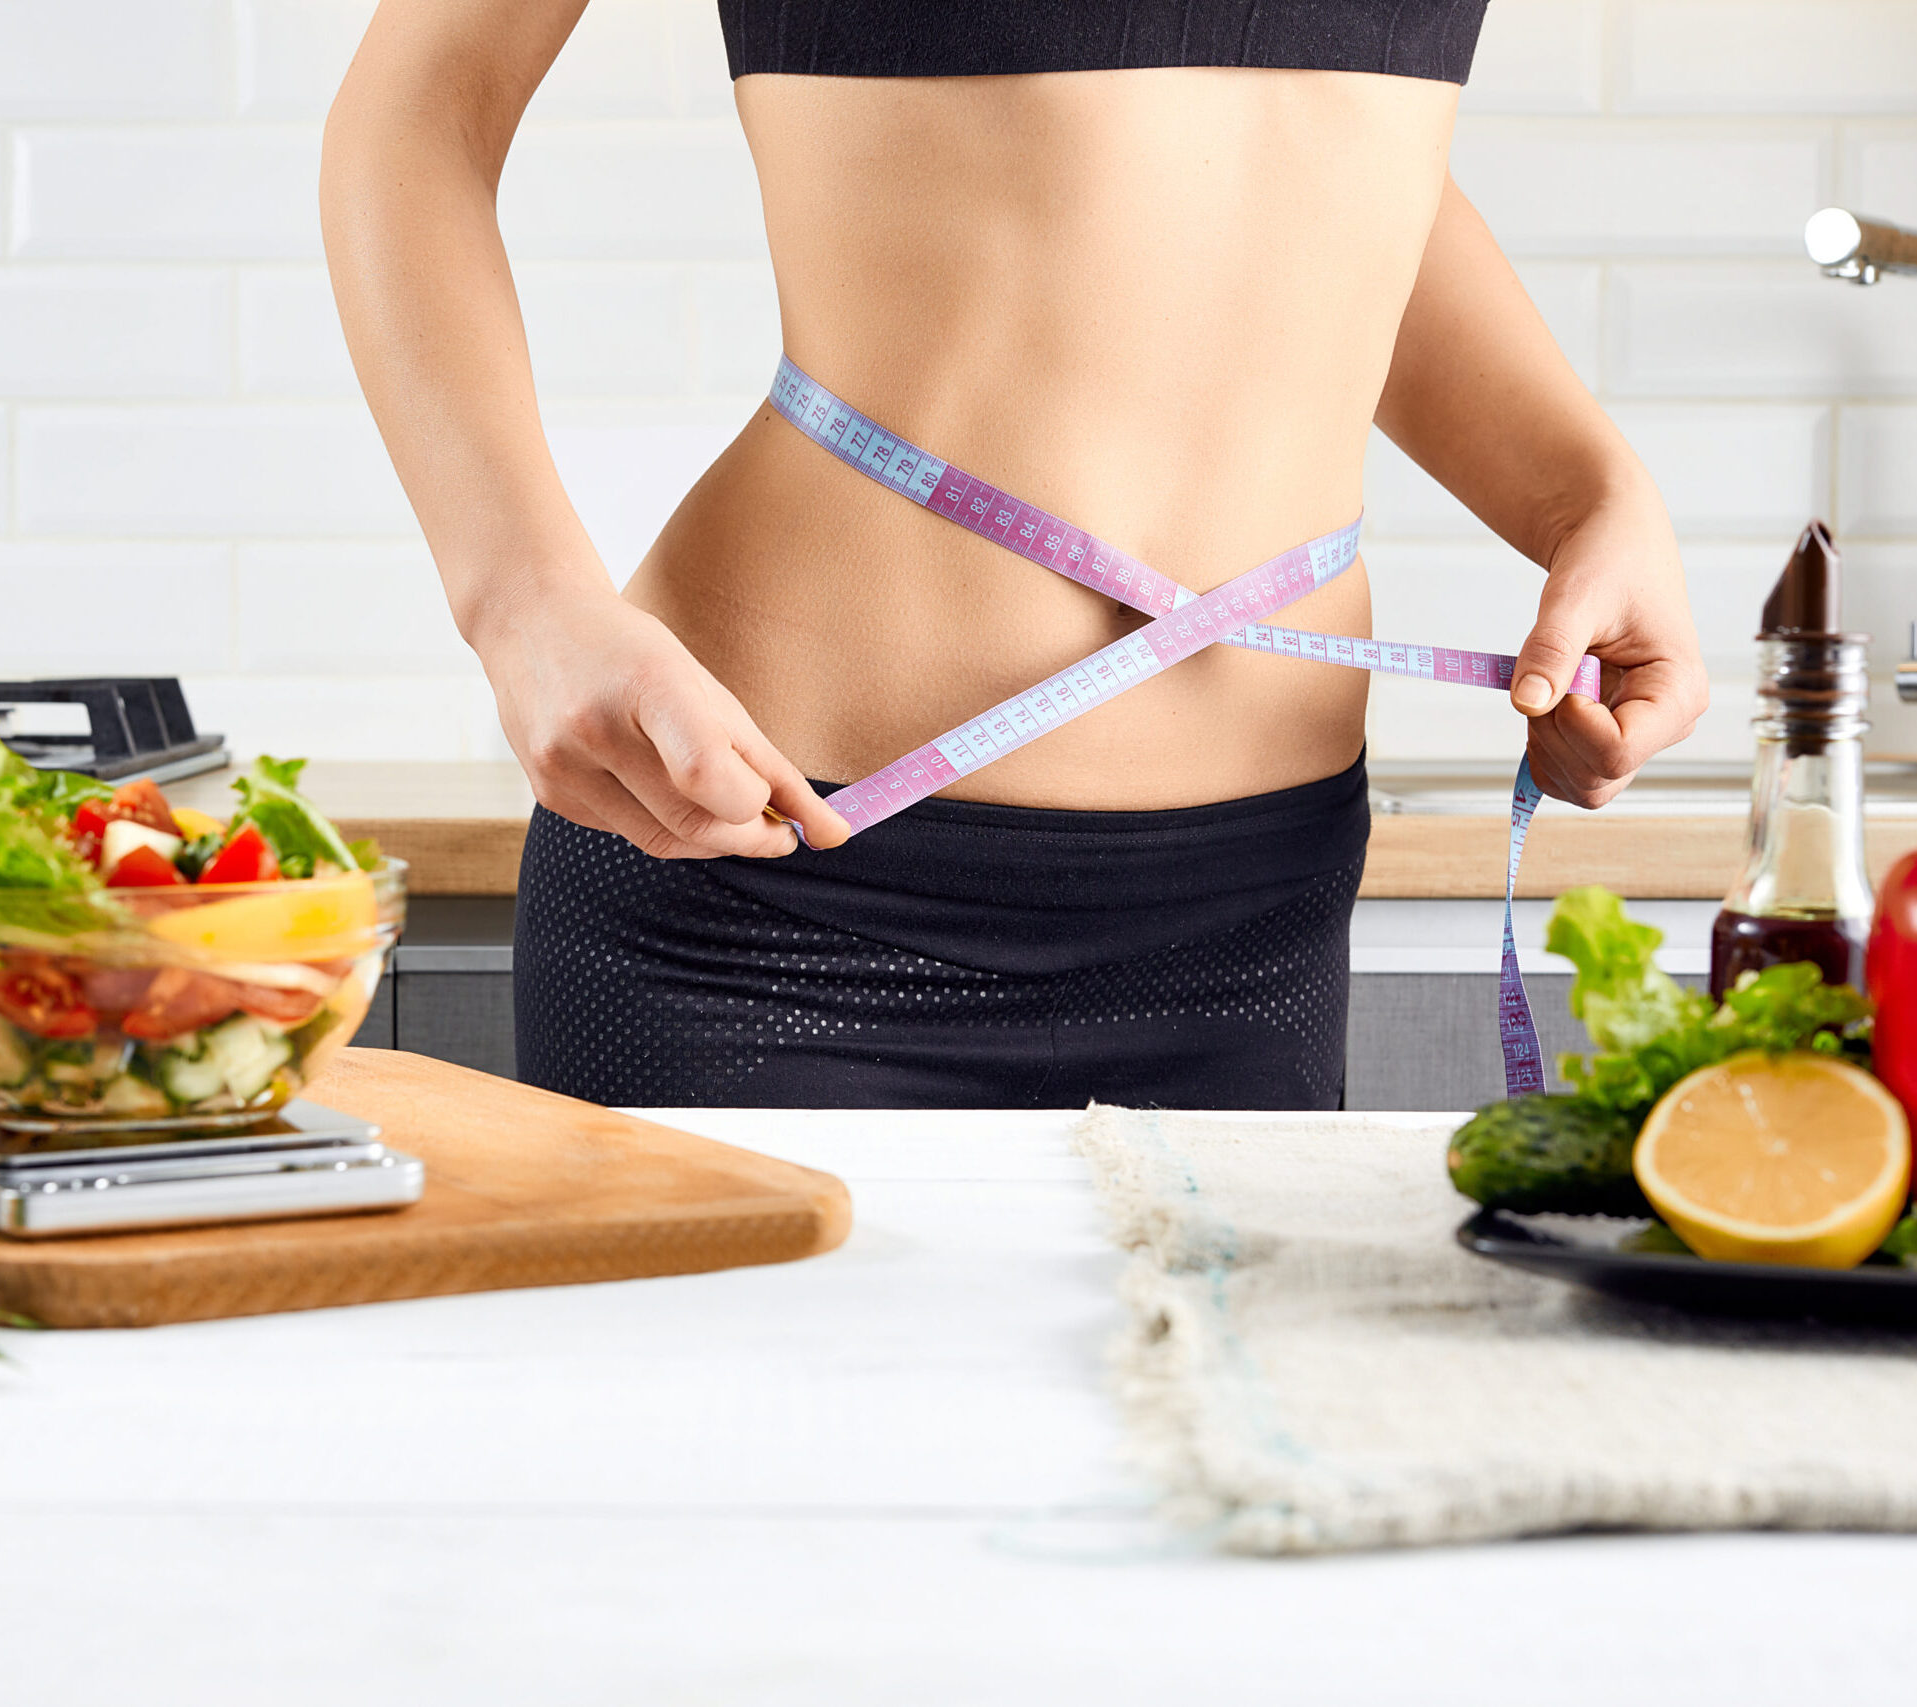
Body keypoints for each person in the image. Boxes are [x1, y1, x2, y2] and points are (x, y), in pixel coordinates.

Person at [321, 0, 1709, 1110]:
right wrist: (523, 604)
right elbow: (423, 105)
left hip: (1257, 904)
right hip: (780, 891)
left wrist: (1584, 494)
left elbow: (1312, 156)